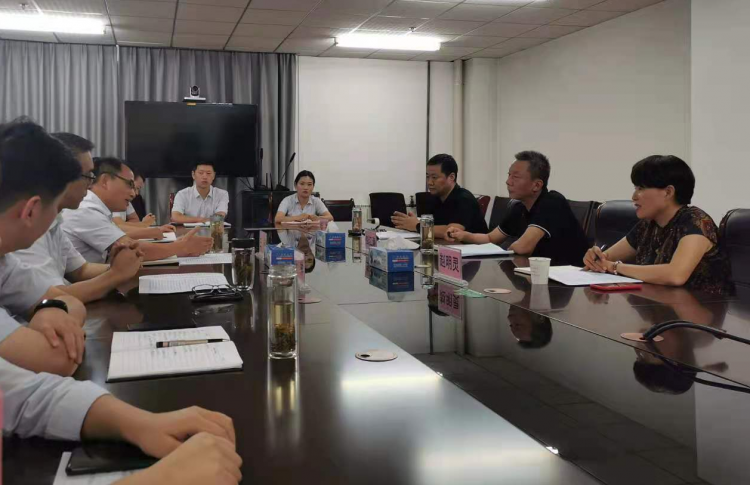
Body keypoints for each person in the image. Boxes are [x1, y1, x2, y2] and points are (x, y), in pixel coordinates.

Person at [0, 119, 242, 485]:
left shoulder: (4, 261)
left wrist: (145, 423)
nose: (59, 217)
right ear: (32, 210)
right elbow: (56, 357)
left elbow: (23, 395)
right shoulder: (61, 223)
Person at [14, 133, 143, 304]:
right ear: (57, 175)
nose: (91, 184)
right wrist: (115, 275)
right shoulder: (24, 227)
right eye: (88, 175)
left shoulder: (54, 221)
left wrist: (118, 266)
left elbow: (81, 270)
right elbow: (53, 299)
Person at [583, 155, 734, 295]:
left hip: (702, 307)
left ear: (668, 192)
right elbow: (605, 258)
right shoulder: (648, 224)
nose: (634, 196)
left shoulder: (696, 221)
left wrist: (615, 267)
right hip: (660, 304)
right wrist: (595, 258)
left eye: (641, 188)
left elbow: (675, 275)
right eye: (635, 188)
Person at [448, 151, 589, 266]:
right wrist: (463, 235)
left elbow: (523, 247)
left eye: (515, 177)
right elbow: (491, 237)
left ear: (537, 185)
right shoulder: (519, 207)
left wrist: (506, 250)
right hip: (540, 275)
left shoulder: (552, 202)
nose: (508, 181)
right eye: (509, 175)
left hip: (572, 280)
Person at [62, 157, 212, 264]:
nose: (134, 194)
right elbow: (130, 251)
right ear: (106, 181)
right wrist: (180, 246)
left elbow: (126, 244)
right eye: (130, 185)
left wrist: (176, 246)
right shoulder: (86, 210)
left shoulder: (97, 209)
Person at [392, 154, 488, 238]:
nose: (429, 182)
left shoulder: (464, 199)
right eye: (427, 176)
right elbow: (434, 227)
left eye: (434, 177)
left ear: (451, 177)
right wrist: (413, 222)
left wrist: (417, 225)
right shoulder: (437, 197)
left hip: (476, 251)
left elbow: (451, 231)